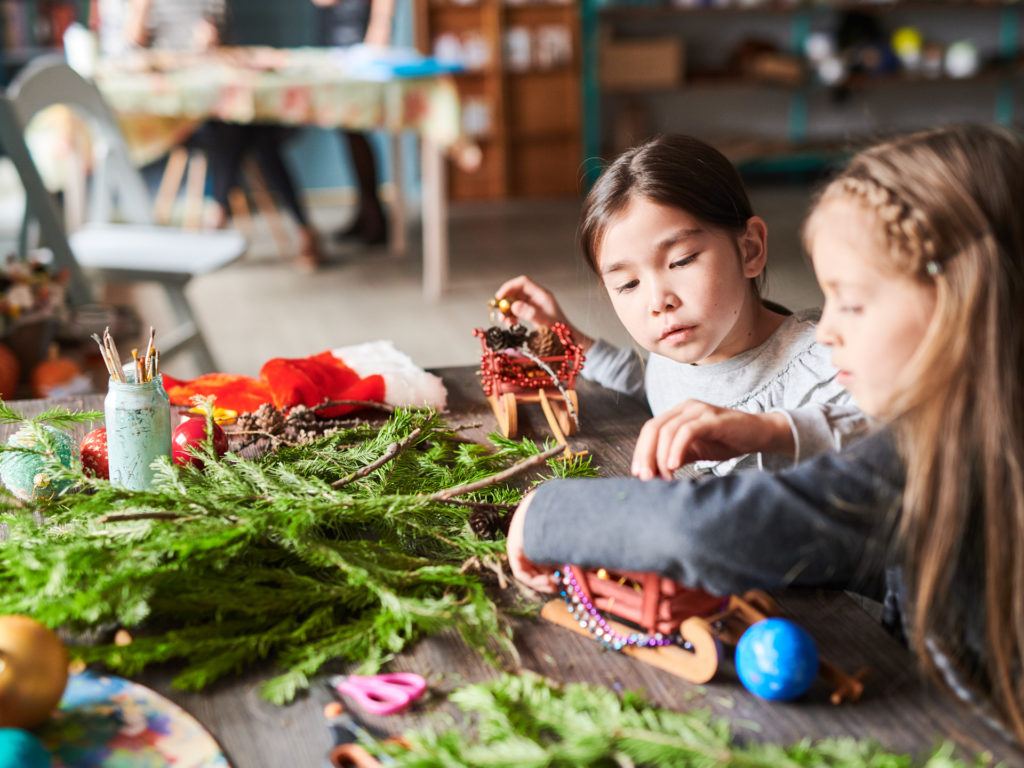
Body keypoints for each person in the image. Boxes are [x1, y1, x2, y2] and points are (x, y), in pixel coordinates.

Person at [507, 124, 1024, 744]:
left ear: (964, 301)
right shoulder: (964, 416)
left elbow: (712, 527)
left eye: (852, 303)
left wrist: (546, 509)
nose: (825, 330)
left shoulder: (936, 449)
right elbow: (639, 380)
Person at [497, 135, 866, 478]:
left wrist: (769, 430)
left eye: (682, 260)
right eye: (628, 284)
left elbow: (895, 433)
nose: (659, 301)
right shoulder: (672, 359)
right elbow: (648, 383)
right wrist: (567, 335)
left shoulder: (828, 364)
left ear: (749, 249)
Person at [123, 0, 324, 268]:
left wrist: (213, 42)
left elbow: (227, 49)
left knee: (246, 126)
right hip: (175, 118)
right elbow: (130, 48)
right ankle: (303, 227)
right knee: (251, 131)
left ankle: (219, 211)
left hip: (215, 106)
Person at [310, 0, 393, 247]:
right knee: (348, 132)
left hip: (361, 47)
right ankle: (366, 211)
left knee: (357, 131)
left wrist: (379, 31)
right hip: (334, 46)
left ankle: (374, 215)